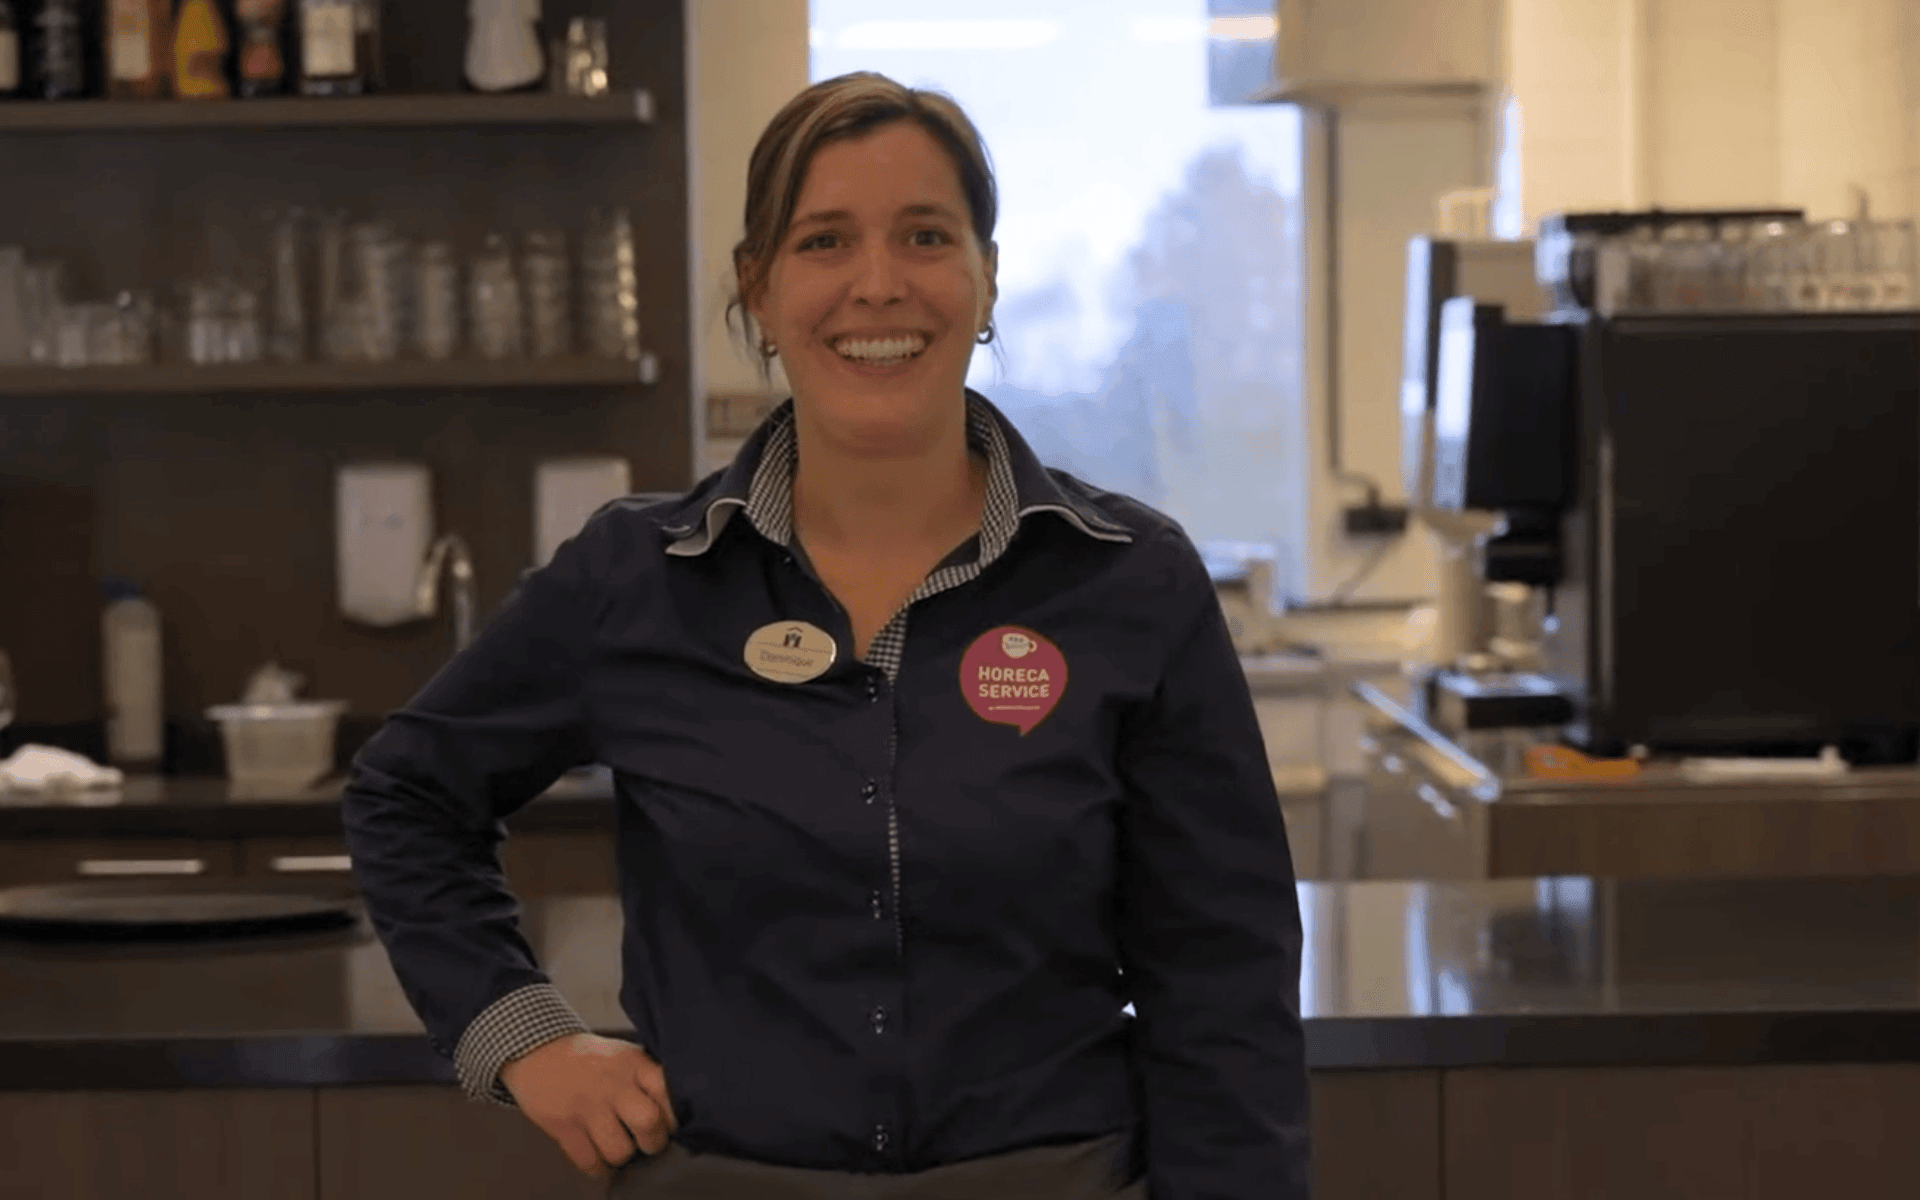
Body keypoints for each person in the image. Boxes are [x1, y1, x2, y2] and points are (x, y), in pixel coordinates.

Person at [341, 71, 1309, 1199]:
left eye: (926, 236)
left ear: (988, 278)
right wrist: (523, 1036)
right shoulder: (638, 578)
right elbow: (405, 797)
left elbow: (1224, 977)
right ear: (758, 289)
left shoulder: (1131, 582)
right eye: (824, 242)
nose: (878, 283)